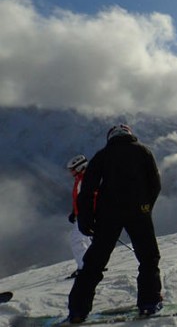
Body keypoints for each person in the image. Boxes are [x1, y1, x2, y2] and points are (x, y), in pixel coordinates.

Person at [67, 124, 162, 323]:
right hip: (139, 212)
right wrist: (147, 206)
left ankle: (77, 311)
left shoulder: (102, 155)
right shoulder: (143, 151)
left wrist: (86, 219)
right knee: (148, 258)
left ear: (110, 138)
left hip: (108, 215)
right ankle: (149, 303)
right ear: (129, 134)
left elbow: (87, 190)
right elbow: (155, 183)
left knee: (94, 263)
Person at [66, 155, 92, 279]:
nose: (71, 172)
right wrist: (74, 212)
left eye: (72, 169)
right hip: (83, 214)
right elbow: (79, 198)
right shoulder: (81, 178)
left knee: (76, 239)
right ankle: (93, 263)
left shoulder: (85, 179)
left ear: (79, 167)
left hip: (85, 215)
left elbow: (86, 199)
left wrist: (81, 213)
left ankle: (85, 267)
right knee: (85, 239)